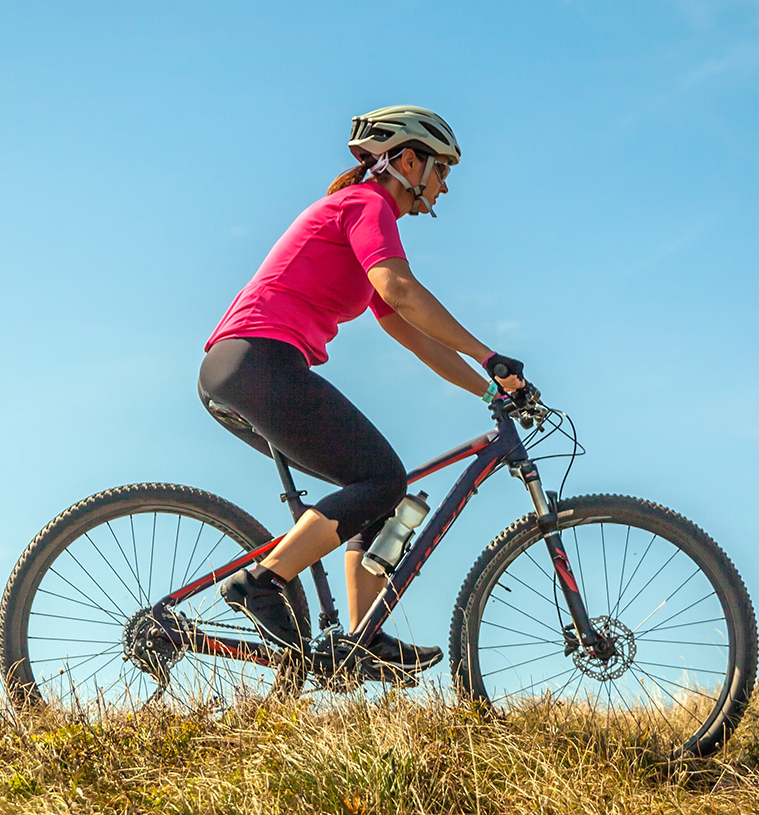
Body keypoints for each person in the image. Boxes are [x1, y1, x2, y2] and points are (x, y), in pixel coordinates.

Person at [197, 105, 526, 680]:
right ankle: (263, 580)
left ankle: (362, 636)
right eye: (442, 171)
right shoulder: (366, 205)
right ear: (406, 160)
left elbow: (410, 332)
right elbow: (399, 289)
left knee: (375, 491)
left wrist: (488, 391)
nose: (445, 187)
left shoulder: (361, 215)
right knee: (383, 480)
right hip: (257, 361)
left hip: (248, 367)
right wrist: (489, 353)